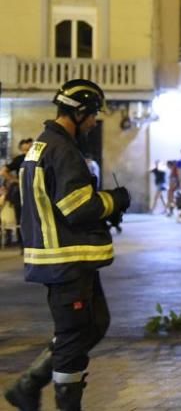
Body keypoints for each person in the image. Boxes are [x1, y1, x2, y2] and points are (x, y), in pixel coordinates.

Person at [3, 79, 130, 411]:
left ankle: (28, 385)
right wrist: (115, 201)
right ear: (79, 112)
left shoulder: (43, 146)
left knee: (95, 324)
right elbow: (78, 207)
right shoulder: (62, 149)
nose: (92, 123)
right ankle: (47, 395)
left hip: (68, 258)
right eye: (91, 116)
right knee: (74, 336)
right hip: (66, 260)